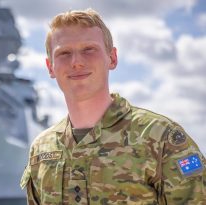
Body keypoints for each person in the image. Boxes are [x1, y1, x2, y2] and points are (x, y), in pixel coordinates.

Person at [20, 8, 205, 204]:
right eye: (64, 53)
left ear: (112, 58)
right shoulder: (41, 149)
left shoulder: (162, 139)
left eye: (88, 50)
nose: (76, 62)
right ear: (50, 67)